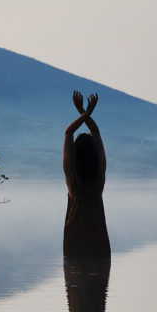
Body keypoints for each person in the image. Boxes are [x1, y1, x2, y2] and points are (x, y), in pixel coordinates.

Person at [63, 90, 111, 259]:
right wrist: (86, 112)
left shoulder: (71, 181)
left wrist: (83, 113)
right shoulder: (99, 179)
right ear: (95, 156)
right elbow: (96, 134)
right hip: (100, 247)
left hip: (73, 247)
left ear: (75, 155)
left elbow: (68, 133)